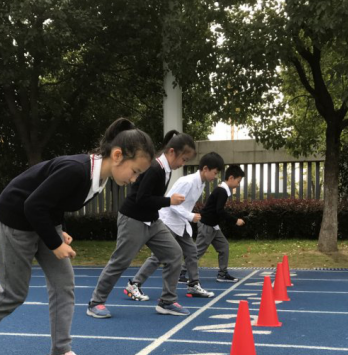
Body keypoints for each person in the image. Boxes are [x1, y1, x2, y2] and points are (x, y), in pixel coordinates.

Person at [0, 118, 154, 355]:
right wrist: (54, 243)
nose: (134, 179)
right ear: (118, 155)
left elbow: (55, 202)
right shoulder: (77, 170)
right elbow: (33, 204)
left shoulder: (98, 178)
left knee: (64, 284)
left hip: (40, 219)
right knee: (12, 293)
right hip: (15, 219)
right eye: (135, 171)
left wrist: (58, 230)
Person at [87, 131, 196, 318]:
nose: (183, 164)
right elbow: (142, 199)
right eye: (183, 159)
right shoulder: (154, 168)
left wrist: (165, 202)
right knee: (120, 261)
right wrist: (169, 201)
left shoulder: (166, 169)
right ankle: (96, 302)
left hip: (152, 221)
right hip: (133, 218)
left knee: (174, 254)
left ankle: (167, 301)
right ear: (172, 152)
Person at [125, 152, 224, 301]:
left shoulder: (200, 183)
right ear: (205, 169)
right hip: (169, 222)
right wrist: (190, 216)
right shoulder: (187, 182)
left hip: (180, 223)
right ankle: (134, 284)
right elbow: (172, 203)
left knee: (191, 252)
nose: (215, 177)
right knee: (158, 256)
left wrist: (188, 216)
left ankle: (193, 284)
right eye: (215, 173)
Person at [196, 164, 246, 283]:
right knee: (198, 251)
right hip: (207, 225)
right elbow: (220, 211)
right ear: (231, 178)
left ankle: (222, 274)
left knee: (224, 247)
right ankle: (182, 272)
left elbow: (216, 211)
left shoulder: (222, 190)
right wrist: (235, 220)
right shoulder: (222, 191)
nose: (238, 185)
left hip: (213, 226)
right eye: (238, 181)